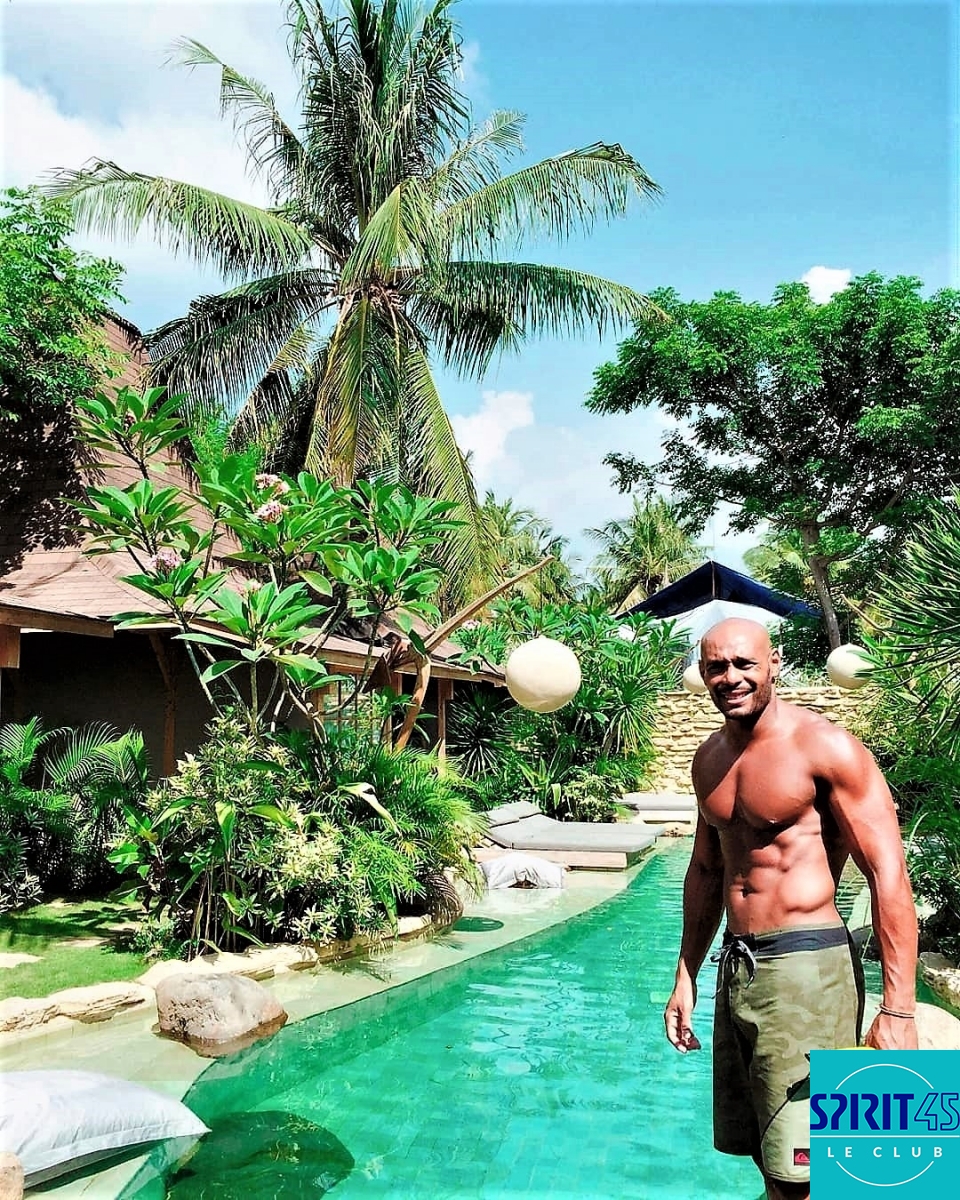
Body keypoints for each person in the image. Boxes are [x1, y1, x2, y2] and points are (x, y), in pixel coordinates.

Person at [663, 618, 917, 1200]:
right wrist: (686, 974)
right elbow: (705, 871)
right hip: (738, 964)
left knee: (810, 1165)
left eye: (744, 663)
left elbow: (888, 874)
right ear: (702, 672)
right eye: (716, 667)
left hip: (807, 968)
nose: (731, 677)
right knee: (762, 1148)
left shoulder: (825, 747)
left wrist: (899, 1010)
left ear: (774, 663)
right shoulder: (708, 759)